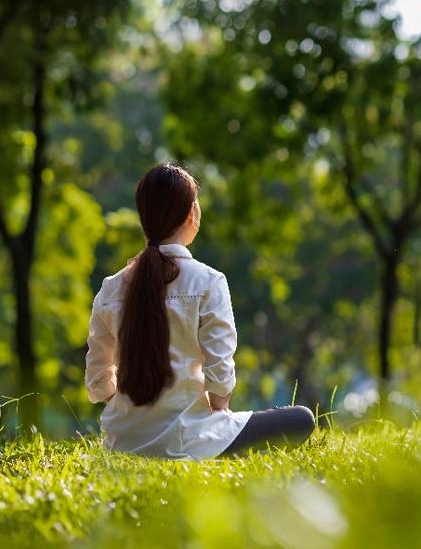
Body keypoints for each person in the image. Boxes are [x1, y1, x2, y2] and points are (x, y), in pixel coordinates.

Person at [84, 163, 315, 459]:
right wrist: (217, 409)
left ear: (143, 218)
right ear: (192, 213)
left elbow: (98, 382)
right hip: (194, 439)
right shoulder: (208, 282)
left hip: (123, 442)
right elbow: (220, 379)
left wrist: (136, 415)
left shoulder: (110, 288)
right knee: (301, 419)